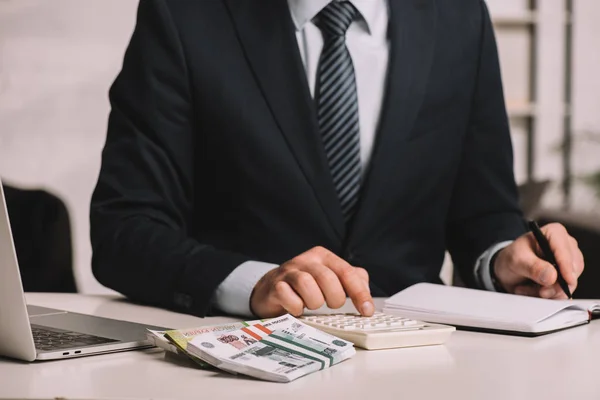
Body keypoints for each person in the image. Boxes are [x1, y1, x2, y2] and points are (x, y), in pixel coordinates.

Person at [90, 0, 584, 319]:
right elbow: (125, 230)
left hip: (418, 369)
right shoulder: (185, 14)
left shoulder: (459, 16)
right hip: (237, 371)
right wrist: (252, 282)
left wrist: (504, 261)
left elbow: (482, 215)